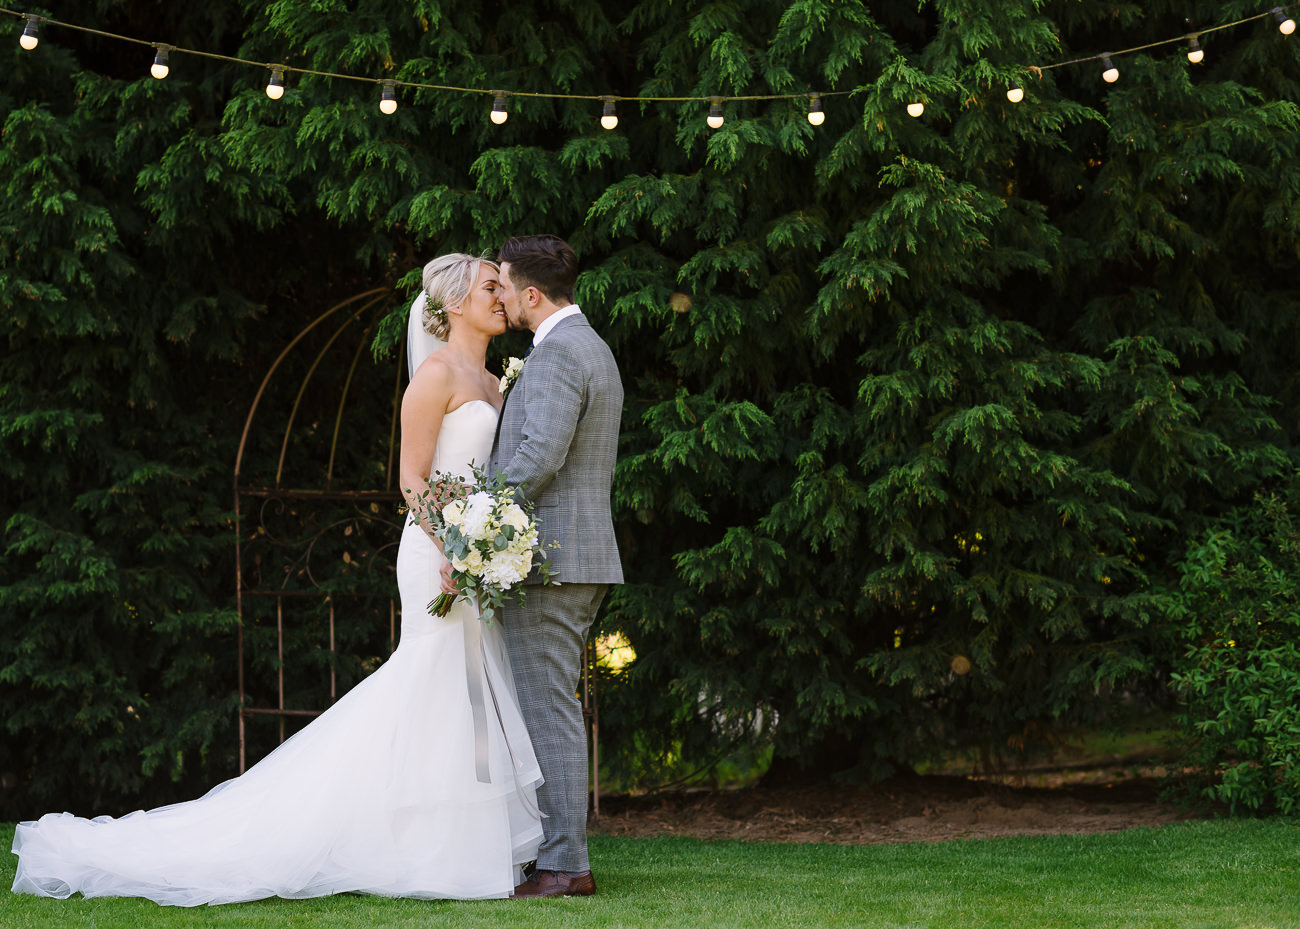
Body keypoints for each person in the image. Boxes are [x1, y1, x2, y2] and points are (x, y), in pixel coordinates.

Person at [10, 254, 543, 906]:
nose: (503, 295)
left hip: (474, 550)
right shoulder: (434, 375)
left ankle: (456, 844)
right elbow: (411, 477)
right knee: (435, 682)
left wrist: (490, 542)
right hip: (436, 552)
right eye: (491, 286)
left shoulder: (494, 378)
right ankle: (423, 845)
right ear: (456, 303)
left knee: (469, 689)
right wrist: (454, 548)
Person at [490, 234, 623, 898]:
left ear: (532, 294)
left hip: (551, 559)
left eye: (507, 287)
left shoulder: (558, 354)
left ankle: (566, 862)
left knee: (549, 710)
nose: (503, 298)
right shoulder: (587, 346)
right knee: (552, 705)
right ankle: (557, 852)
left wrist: (482, 522)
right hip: (575, 554)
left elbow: (540, 456)